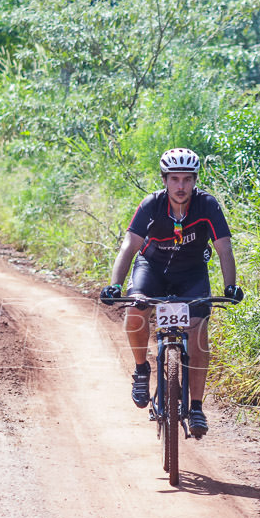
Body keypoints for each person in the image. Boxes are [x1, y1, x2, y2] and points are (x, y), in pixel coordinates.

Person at [100, 148, 244, 439]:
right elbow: (129, 246)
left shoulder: (207, 205)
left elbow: (224, 248)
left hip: (191, 274)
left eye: (187, 180)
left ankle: (196, 408)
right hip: (151, 268)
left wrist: (230, 286)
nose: (181, 186)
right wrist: (115, 284)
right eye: (175, 179)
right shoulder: (152, 204)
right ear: (164, 180)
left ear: (195, 180)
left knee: (198, 333)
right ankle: (142, 370)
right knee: (135, 311)